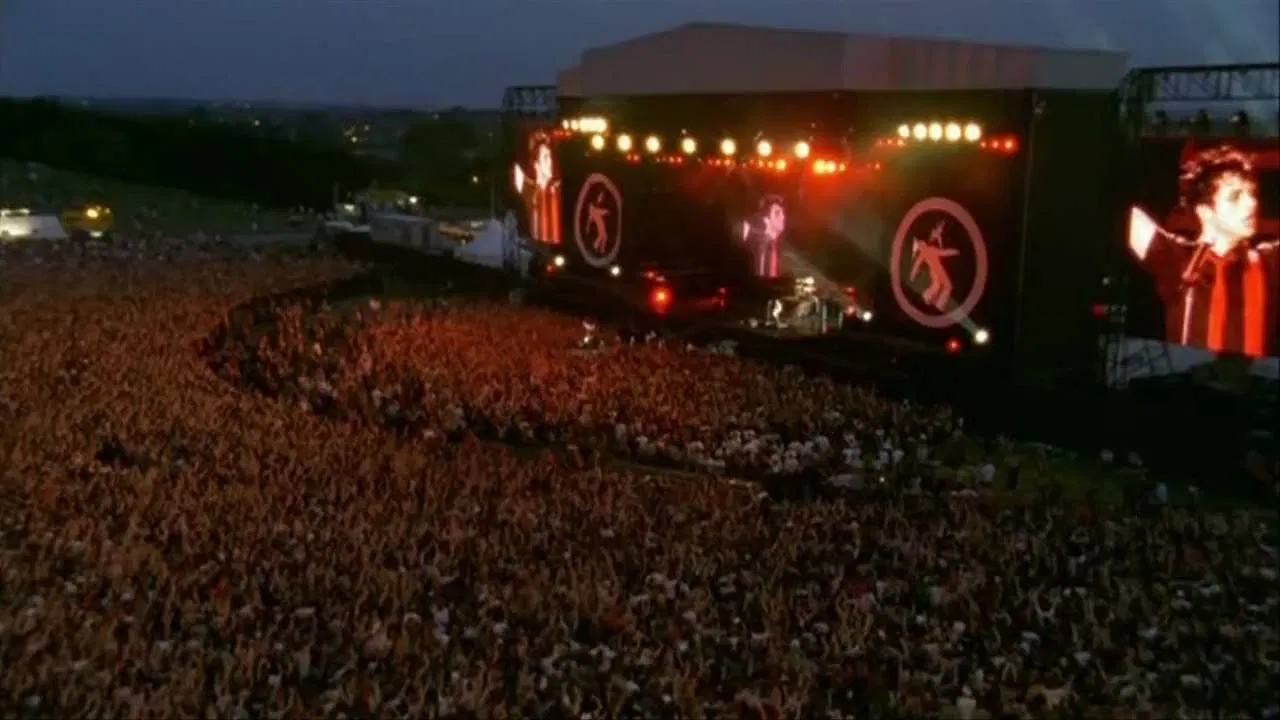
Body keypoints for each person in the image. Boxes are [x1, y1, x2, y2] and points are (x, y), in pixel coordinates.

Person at [1129, 145, 1278, 357]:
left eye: (1252, 193)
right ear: (1205, 212)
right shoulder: (1178, 257)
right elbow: (1123, 211)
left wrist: (1263, 158)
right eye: (1236, 196)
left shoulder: (1269, 262)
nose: (1252, 203)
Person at [512, 133, 562, 245]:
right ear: (536, 164)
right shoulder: (528, 190)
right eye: (544, 157)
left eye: (549, 156)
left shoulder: (557, 190)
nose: (549, 161)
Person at [741, 195, 786, 278]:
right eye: (777, 213)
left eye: (782, 212)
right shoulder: (755, 246)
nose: (783, 217)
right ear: (766, 219)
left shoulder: (781, 247)